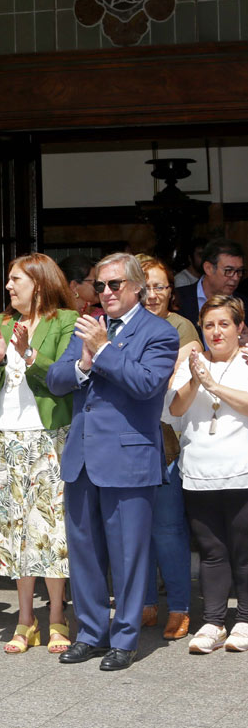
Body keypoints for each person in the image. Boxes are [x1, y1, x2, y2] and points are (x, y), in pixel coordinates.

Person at [47, 252, 179, 671]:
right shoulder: (87, 325)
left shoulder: (159, 332)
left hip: (128, 458)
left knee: (128, 554)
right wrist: (85, 362)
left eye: (114, 285)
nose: (104, 293)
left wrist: (102, 350)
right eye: (99, 285)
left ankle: (125, 637)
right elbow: (55, 379)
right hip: (83, 457)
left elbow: (145, 384)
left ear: (138, 286)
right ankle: (89, 632)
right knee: (84, 551)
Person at [0, 254, 77, 654]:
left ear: (39, 282)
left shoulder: (64, 321)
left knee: (49, 530)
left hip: (50, 437)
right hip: (7, 439)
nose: (9, 287)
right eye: (9, 281)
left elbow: (63, 378)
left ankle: (56, 618)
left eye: (16, 280)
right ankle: (24, 620)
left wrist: (28, 352)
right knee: (13, 527)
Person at [168, 295, 248, 654]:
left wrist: (215, 386)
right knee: (212, 552)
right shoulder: (192, 365)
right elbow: (174, 410)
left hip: (241, 471)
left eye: (224, 324)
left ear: (240, 328)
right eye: (209, 325)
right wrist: (198, 380)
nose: (217, 332)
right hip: (199, 472)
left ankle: (244, 620)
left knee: (243, 551)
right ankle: (214, 621)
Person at [139, 258, 201, 640]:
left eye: (160, 286)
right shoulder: (121, 324)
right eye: (146, 287)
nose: (153, 294)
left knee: (167, 530)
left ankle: (179, 607)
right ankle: (145, 602)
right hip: (128, 440)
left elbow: (189, 351)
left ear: (170, 292)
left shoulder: (180, 326)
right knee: (136, 530)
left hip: (165, 439)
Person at [175, 238, 247, 332]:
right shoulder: (178, 299)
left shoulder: (245, 304)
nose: (236, 278)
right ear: (208, 268)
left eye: (239, 271)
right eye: (228, 271)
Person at [59, 254, 103, 319]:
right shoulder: (56, 318)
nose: (101, 286)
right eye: (96, 282)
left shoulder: (106, 317)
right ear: (74, 286)